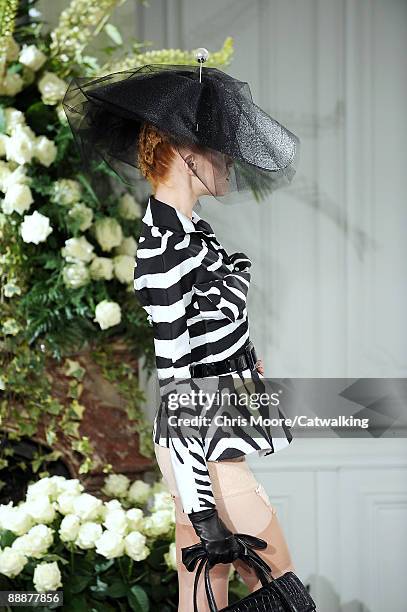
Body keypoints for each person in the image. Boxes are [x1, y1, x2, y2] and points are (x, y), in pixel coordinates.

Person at [134, 122, 296, 611]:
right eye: (220, 149)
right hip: (201, 443)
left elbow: (204, 339)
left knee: (205, 587)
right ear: (184, 151)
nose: (231, 159)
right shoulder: (164, 246)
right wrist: (202, 510)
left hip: (209, 430)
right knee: (279, 583)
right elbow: (175, 384)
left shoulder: (190, 232)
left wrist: (237, 363)